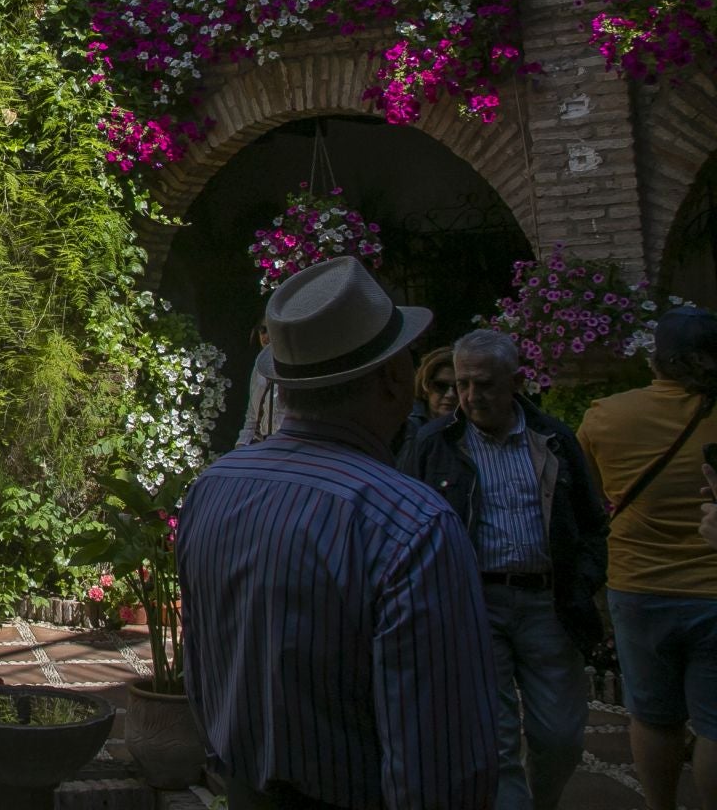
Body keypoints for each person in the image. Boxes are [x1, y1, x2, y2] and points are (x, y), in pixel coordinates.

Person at [177, 256, 499, 810]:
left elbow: (201, 670)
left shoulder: (213, 487)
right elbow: (439, 762)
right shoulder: (411, 523)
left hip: (244, 790)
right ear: (396, 378)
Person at [398, 329, 607, 810]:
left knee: (559, 737)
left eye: (485, 385)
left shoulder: (552, 439)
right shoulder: (435, 445)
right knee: (495, 741)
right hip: (473, 605)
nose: (471, 397)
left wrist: (586, 579)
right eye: (464, 384)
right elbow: (404, 522)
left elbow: (593, 523)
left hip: (547, 604)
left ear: (516, 382)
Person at [579, 305, 717, 810]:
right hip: (713, 590)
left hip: (638, 586)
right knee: (715, 725)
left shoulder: (606, 416)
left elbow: (593, 498)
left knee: (653, 717)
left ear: (656, 360)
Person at [234, 321, 276, 446]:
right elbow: (253, 415)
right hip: (261, 443)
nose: (266, 336)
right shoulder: (258, 368)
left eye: (271, 330)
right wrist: (242, 445)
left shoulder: (293, 368)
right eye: (262, 330)